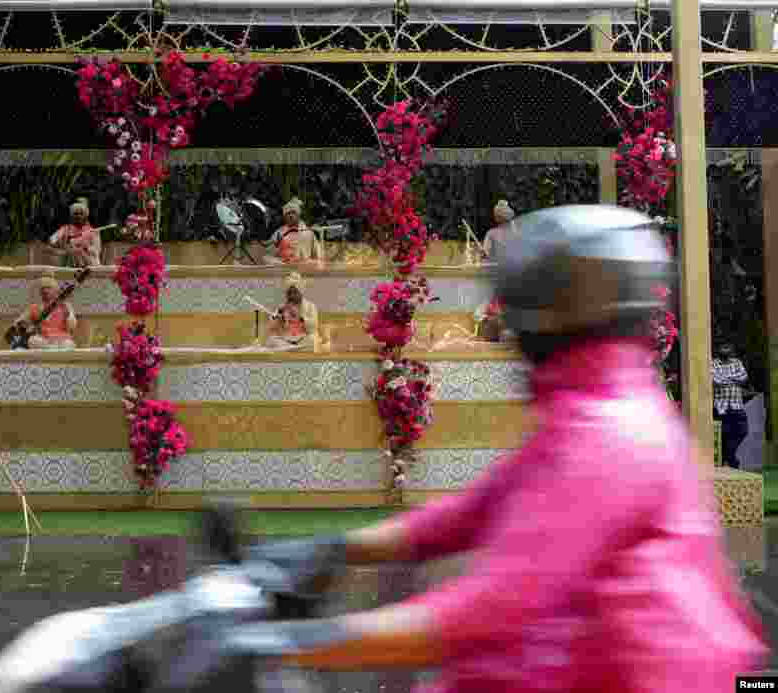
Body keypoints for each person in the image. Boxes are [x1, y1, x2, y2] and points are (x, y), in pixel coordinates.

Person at [221, 205, 769, 692]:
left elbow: (490, 606)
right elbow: (471, 512)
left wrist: (289, 643)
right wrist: (334, 549)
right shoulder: (599, 403)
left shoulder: (608, 430)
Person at [13, 274, 77, 349]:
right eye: (43, 288)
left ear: (55, 290)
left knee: (68, 343)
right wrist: (23, 326)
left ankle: (52, 351)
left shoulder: (66, 306)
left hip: (62, 341)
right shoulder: (34, 307)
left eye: (49, 288)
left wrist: (68, 313)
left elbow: (72, 326)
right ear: (40, 292)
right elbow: (18, 323)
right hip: (43, 341)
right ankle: (52, 351)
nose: (45, 290)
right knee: (32, 340)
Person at [712, 341, 750, 468]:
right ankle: (731, 463)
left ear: (731, 349)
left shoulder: (737, 362)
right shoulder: (713, 363)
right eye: (723, 347)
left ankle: (730, 457)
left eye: (727, 347)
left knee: (743, 431)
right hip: (721, 407)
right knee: (724, 435)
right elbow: (716, 381)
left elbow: (744, 377)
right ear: (718, 349)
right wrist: (734, 379)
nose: (725, 349)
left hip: (737, 406)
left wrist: (725, 377)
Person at [265, 272, 319, 350]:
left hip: (303, 339)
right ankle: (291, 348)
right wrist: (277, 318)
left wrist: (299, 316)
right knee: (271, 341)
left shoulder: (310, 306)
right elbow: (271, 327)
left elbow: (313, 328)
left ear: (300, 292)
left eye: (295, 292)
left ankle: (292, 349)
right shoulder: (282, 307)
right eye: (289, 293)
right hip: (286, 340)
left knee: (312, 339)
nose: (292, 296)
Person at [264, 197, 323, 265]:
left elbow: (318, 254)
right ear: (284, 217)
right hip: (285, 265)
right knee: (266, 259)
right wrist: (277, 247)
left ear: (298, 214)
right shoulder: (279, 232)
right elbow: (269, 252)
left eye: (293, 212)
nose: (290, 215)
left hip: (304, 265)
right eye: (288, 213)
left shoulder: (308, 232)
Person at [49, 198, 101, 267]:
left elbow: (97, 250)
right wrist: (63, 248)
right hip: (68, 264)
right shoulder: (65, 229)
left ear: (85, 216)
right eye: (76, 214)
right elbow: (52, 240)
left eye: (81, 214)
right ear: (72, 216)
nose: (78, 216)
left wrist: (85, 247)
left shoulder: (93, 231)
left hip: (88, 264)